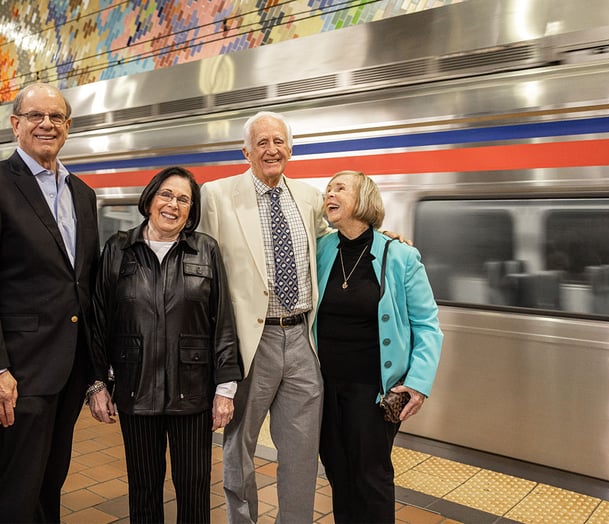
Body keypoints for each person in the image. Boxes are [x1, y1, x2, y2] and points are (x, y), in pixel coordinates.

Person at [0, 83, 99, 523]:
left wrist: (95, 371)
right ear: (16, 125)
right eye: (35, 116)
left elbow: (83, 283)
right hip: (17, 371)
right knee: (16, 488)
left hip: (69, 369)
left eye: (56, 117)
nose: (46, 124)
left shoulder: (82, 193)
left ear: (68, 127)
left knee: (50, 481)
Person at [88, 166, 243, 523]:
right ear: (150, 199)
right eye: (166, 195)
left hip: (193, 390)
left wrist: (226, 388)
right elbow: (99, 320)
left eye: (184, 199)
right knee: (143, 489)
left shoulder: (205, 250)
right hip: (135, 388)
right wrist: (97, 383)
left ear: (192, 209)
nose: (173, 205)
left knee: (194, 487)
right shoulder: (119, 248)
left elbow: (223, 321)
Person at [197, 110, 330, 523]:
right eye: (262, 143)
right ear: (246, 151)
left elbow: (337, 245)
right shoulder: (217, 195)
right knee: (240, 449)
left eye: (279, 142)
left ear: (290, 149)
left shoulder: (309, 197)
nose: (271, 150)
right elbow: (202, 275)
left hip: (303, 339)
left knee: (303, 453)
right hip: (248, 342)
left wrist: (387, 237)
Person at [314, 170, 443, 523]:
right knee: (338, 473)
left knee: (371, 477)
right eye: (328, 189)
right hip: (324, 386)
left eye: (340, 188)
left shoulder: (400, 256)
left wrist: (418, 382)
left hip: (373, 390)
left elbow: (428, 325)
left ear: (364, 199)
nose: (330, 194)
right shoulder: (321, 249)